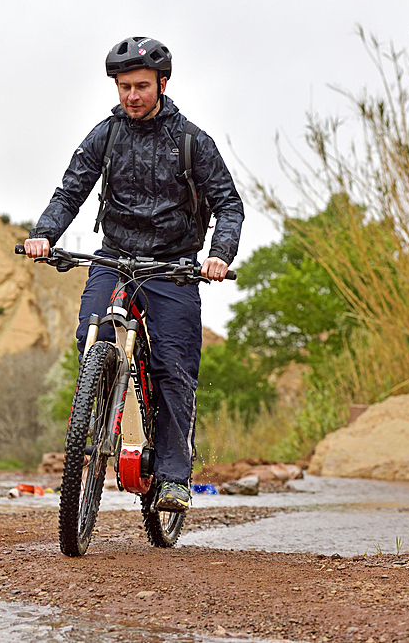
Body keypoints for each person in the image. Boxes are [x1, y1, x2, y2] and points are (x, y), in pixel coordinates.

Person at [23, 36, 244, 511]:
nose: (132, 96)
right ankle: (99, 420)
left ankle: (171, 477)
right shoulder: (105, 135)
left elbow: (229, 205)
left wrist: (219, 254)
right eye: (124, 87)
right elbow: (69, 193)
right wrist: (45, 234)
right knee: (91, 340)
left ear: (162, 83)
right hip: (114, 258)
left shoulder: (192, 141)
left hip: (173, 267)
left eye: (142, 86)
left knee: (173, 369)